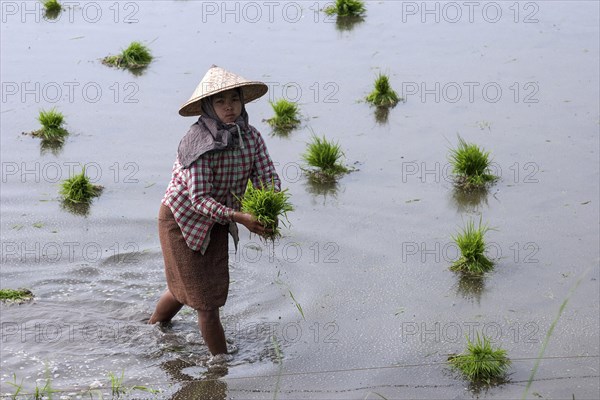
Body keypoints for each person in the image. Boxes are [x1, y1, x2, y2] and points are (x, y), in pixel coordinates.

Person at [149, 65, 281, 358]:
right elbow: (198, 200)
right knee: (207, 303)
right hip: (182, 221)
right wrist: (240, 217)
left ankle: (154, 328)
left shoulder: (251, 137)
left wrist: (268, 206)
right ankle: (221, 368)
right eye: (220, 102)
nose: (229, 107)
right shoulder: (197, 143)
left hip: (217, 218)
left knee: (188, 288)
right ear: (208, 106)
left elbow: (267, 177)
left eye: (234, 99)